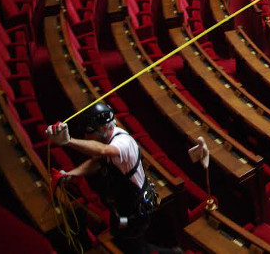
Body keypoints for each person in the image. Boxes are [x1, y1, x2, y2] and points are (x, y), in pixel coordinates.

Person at [46, 102, 179, 254]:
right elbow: (98, 161)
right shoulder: (107, 140)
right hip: (121, 206)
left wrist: (68, 141)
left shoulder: (122, 142)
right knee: (127, 242)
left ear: (102, 129)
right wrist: (71, 174)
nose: (86, 137)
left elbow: (103, 151)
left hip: (135, 211)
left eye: (88, 133)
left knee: (137, 249)